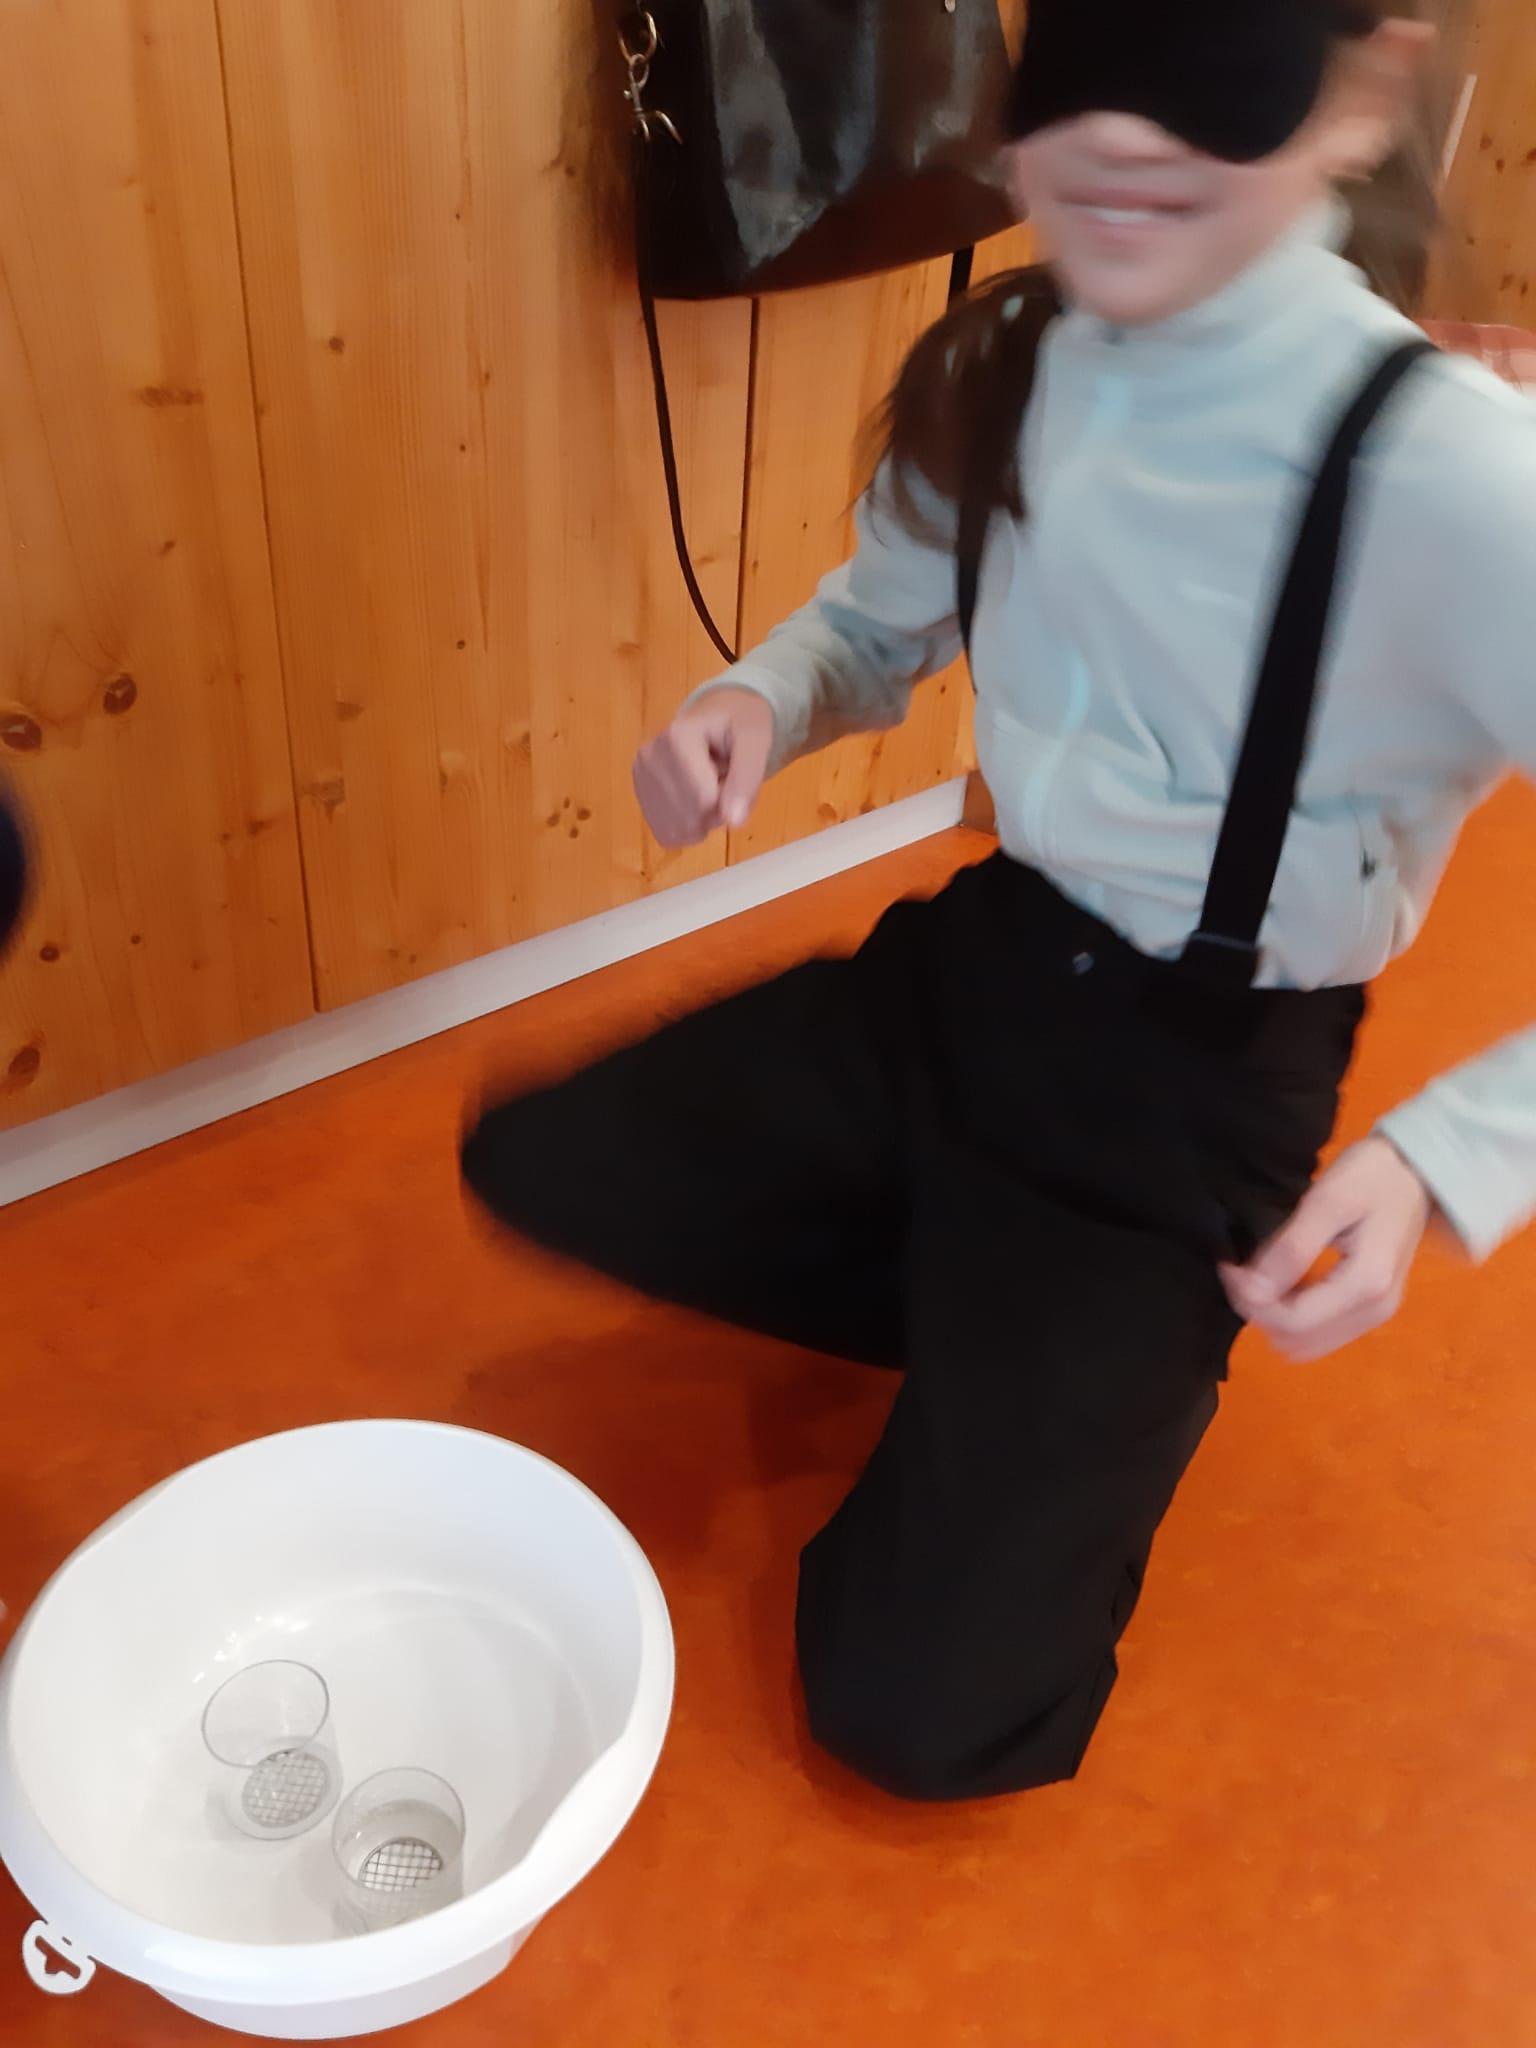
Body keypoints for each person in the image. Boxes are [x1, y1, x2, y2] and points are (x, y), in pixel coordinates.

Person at [464, 0, 1536, 1801]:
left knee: (920, 1719)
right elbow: (876, 619)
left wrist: (1452, 1157)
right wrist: (763, 700)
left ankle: (1064, 1359)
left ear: (1364, 93)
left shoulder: (1459, 479)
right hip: (977, 970)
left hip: (1193, 1087)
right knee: (546, 1162)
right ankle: (985, 1317)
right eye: (1081, 62)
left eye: (1211, 64)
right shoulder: (1008, 356)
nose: (1119, 135)